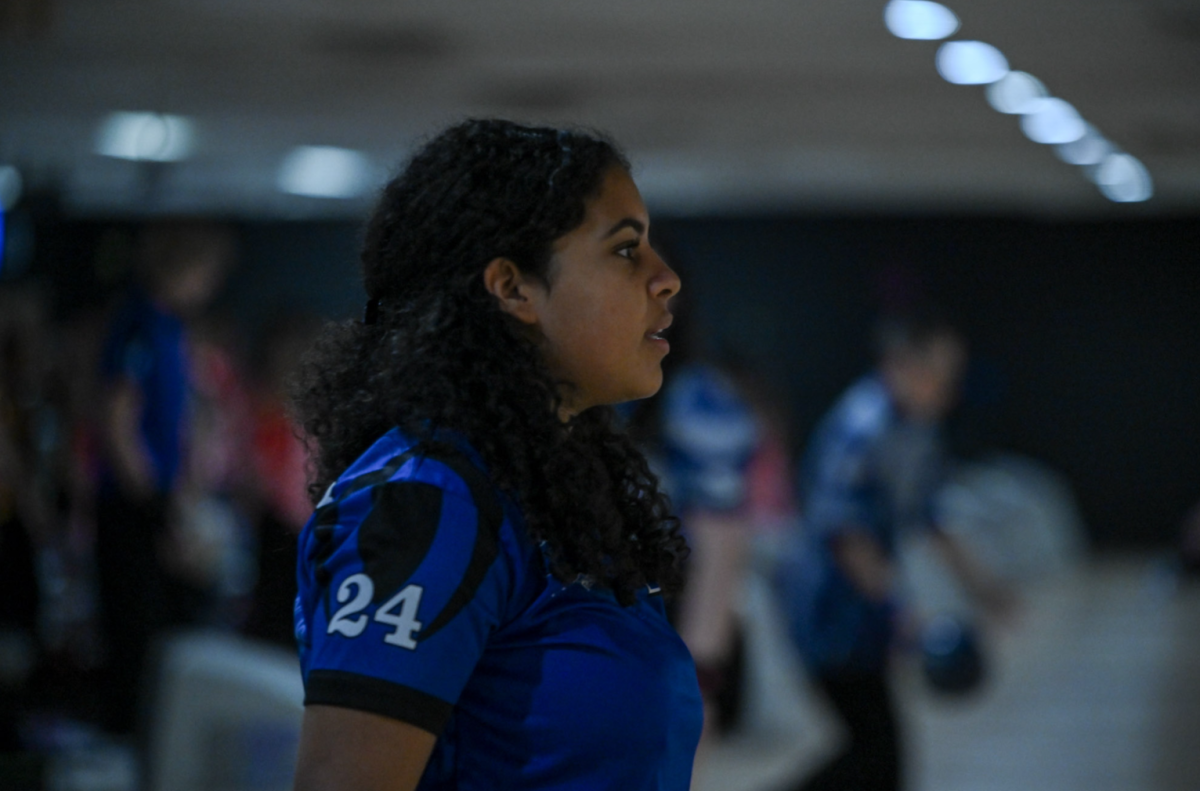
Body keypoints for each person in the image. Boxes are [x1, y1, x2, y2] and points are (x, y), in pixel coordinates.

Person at [290, 119, 700, 791]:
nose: (667, 279)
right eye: (627, 251)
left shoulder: (555, 492)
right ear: (512, 288)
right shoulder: (430, 497)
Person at [776, 312, 1012, 791]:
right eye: (938, 374)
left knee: (877, 756)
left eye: (954, 375)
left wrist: (985, 586)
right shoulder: (861, 428)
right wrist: (900, 608)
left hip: (865, 614)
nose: (948, 389)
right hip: (827, 611)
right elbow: (845, 536)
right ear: (899, 365)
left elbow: (930, 517)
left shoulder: (917, 428)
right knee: (877, 756)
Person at [94, 219, 234, 734]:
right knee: (137, 633)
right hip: (134, 504)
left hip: (162, 499)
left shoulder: (172, 329)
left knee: (170, 631)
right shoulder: (138, 324)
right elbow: (118, 420)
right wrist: (152, 500)